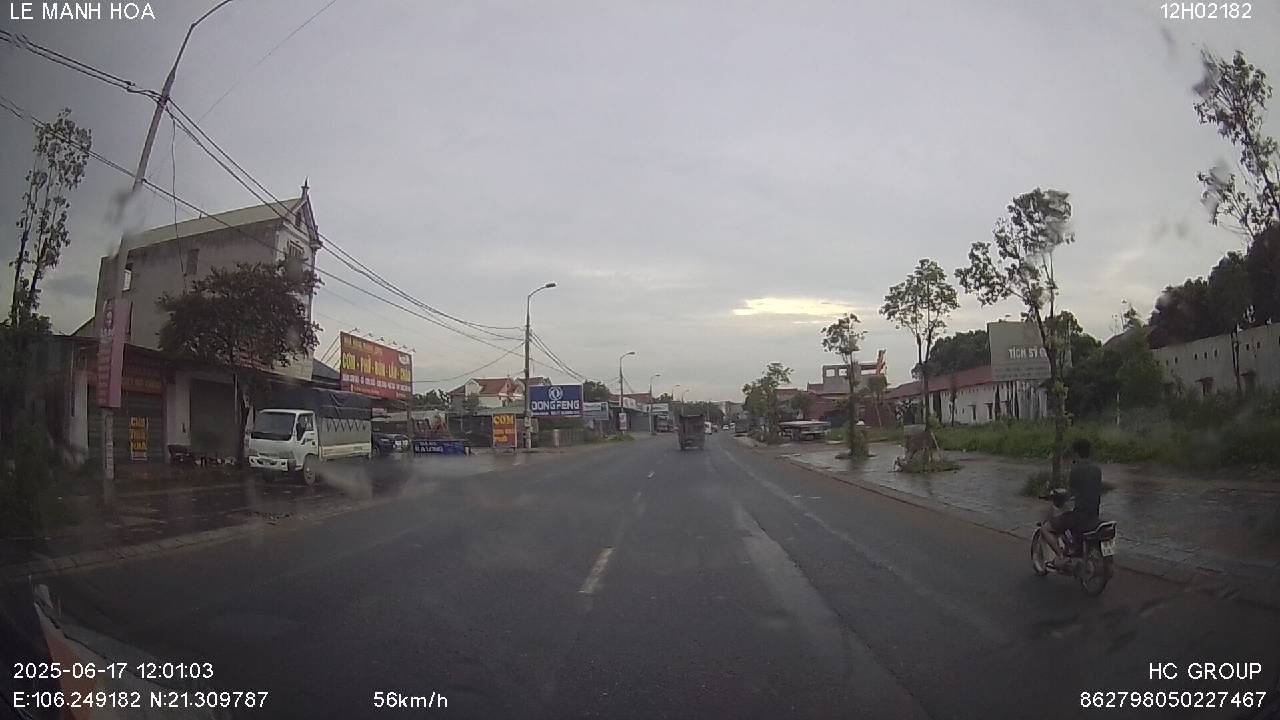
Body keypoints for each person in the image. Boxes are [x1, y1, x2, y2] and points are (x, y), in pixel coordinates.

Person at [1049, 438, 1103, 555]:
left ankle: (1060, 556)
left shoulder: (1076, 470)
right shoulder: (1097, 470)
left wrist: (1059, 496)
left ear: (1076, 454)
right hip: (1094, 515)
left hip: (1079, 517)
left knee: (1047, 528)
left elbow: (1071, 493)